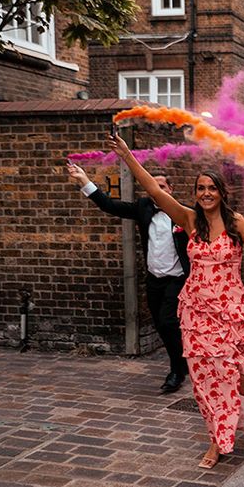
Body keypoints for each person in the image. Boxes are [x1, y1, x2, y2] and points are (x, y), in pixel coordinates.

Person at [106, 133, 244, 469]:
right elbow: (156, 191)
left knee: (235, 373)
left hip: (229, 312)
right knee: (203, 378)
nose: (205, 193)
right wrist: (128, 157)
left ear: (221, 192)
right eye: (200, 188)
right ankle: (217, 439)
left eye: (211, 188)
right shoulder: (189, 220)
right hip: (196, 310)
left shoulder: (236, 223)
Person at [67, 161, 189, 394]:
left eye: (163, 187)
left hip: (178, 278)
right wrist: (84, 180)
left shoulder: (183, 212)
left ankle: (176, 370)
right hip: (154, 279)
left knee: (168, 321)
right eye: (154, 187)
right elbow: (110, 206)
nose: (158, 191)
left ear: (171, 190)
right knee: (160, 324)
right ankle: (181, 360)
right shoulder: (143, 207)